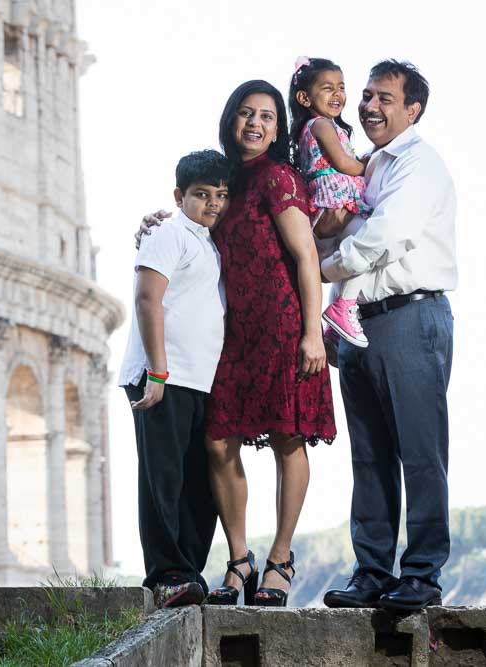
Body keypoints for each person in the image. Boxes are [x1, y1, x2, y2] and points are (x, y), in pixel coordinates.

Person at [137, 81, 336, 607]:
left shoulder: (277, 178)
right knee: (218, 441)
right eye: (246, 114)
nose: (256, 124)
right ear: (230, 120)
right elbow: (193, 227)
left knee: (286, 439)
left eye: (267, 117)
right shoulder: (223, 181)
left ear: (279, 128)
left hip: (283, 329)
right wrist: (159, 219)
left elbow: (306, 258)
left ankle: (280, 559)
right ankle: (240, 558)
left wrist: (312, 332)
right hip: (231, 335)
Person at [320, 60, 457, 612]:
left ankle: (421, 575)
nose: (370, 106)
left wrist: (326, 270)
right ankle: (372, 572)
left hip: (410, 316)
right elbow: (344, 225)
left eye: (385, 98)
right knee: (369, 456)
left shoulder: (418, 164)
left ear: (412, 110)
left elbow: (389, 233)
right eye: (368, 96)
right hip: (360, 323)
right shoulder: (366, 167)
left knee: (420, 452)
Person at [118, 149, 231, 608]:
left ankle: (188, 574)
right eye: (202, 195)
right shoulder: (168, 231)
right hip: (162, 376)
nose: (212, 204)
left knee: (198, 482)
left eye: (221, 195)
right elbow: (149, 299)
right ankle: (166, 575)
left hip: (199, 379)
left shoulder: (207, 239)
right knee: (162, 478)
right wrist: (157, 373)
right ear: (178, 196)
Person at [288, 56, 373, 353]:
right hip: (334, 200)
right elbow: (342, 164)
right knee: (369, 241)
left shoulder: (312, 127)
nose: (338, 94)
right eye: (328, 88)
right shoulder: (322, 125)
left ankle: (334, 328)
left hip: (323, 207)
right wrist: (366, 165)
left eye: (341, 87)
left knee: (345, 259)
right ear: (304, 97)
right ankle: (343, 308)